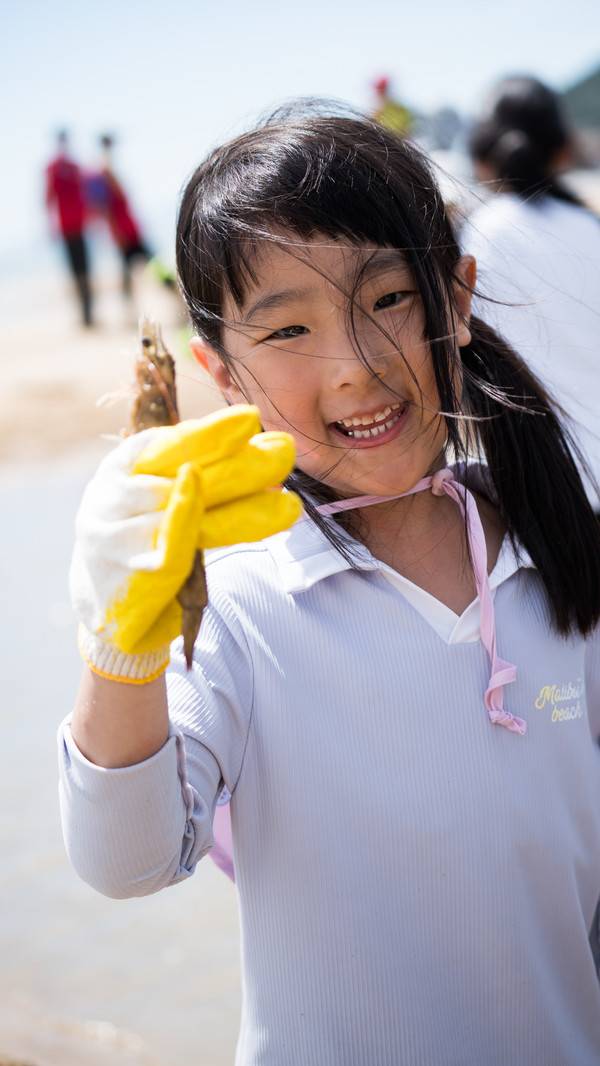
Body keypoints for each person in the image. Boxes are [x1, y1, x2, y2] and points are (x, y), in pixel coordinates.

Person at [58, 108, 600, 1066]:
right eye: (290, 328)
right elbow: (129, 861)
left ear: (457, 299)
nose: (355, 367)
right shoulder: (238, 606)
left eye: (389, 298)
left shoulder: (562, 550)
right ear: (223, 374)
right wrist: (121, 646)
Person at [463, 75, 600, 509]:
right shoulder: (587, 225)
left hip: (554, 492)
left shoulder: (483, 234)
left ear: (483, 156)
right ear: (561, 148)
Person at [91, 133, 153, 298]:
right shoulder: (105, 169)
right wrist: (117, 233)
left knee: (131, 270)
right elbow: (106, 207)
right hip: (124, 230)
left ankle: (129, 308)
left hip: (125, 228)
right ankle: (175, 296)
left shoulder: (105, 167)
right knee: (150, 264)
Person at [45, 129, 93, 326]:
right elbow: (49, 196)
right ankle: (84, 314)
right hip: (68, 227)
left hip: (78, 226)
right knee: (77, 272)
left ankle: (87, 313)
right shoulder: (56, 167)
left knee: (83, 270)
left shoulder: (74, 167)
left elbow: (85, 194)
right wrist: (51, 223)